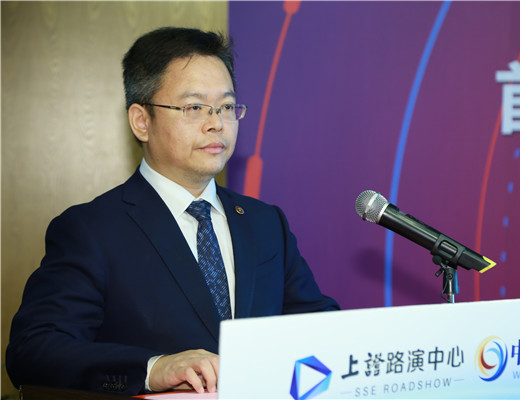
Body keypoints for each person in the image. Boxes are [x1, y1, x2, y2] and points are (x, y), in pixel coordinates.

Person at [6, 27, 339, 396]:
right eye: (194, 107)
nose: (217, 123)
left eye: (227, 107)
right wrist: (154, 367)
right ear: (141, 121)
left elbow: (320, 328)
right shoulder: (92, 230)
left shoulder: (265, 223)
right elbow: (33, 351)